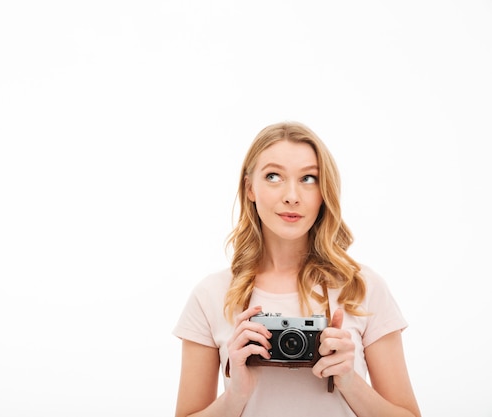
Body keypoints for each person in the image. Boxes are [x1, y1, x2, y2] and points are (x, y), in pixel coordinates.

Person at [173, 121, 421, 417]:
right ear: (250, 188)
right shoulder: (211, 295)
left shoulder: (361, 288)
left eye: (309, 178)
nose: (292, 195)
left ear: (324, 191)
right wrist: (236, 393)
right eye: (274, 176)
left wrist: (349, 381)